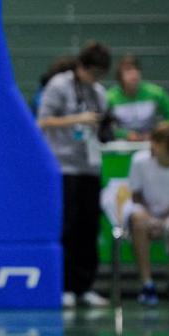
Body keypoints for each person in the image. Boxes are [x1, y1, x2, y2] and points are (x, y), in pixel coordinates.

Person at [38, 41, 112, 308]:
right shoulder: (59, 85)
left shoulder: (99, 93)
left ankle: (84, 286)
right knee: (67, 227)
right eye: (92, 72)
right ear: (81, 66)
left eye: (100, 74)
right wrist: (76, 119)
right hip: (64, 167)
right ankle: (64, 285)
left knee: (88, 227)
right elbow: (42, 121)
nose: (95, 79)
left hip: (89, 167)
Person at [122, 123, 169, 305]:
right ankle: (147, 285)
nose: (153, 145)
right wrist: (150, 219)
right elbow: (136, 195)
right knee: (139, 220)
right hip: (143, 210)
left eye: (158, 142)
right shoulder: (139, 161)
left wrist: (163, 222)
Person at [108, 54, 169, 141]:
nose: (134, 74)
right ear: (119, 75)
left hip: (151, 142)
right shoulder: (110, 97)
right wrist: (123, 135)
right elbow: (103, 125)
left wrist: (160, 132)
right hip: (120, 145)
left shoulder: (154, 92)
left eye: (136, 69)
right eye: (128, 70)